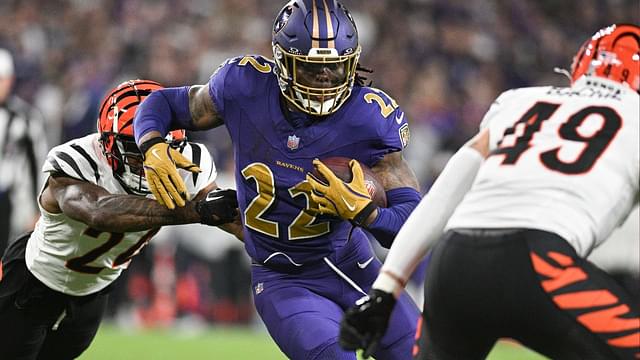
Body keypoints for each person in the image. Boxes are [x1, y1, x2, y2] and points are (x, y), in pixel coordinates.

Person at [133, 1, 423, 358]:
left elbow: (412, 226)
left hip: (355, 266)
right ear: (282, 61)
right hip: (283, 279)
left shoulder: (369, 119)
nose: (325, 79)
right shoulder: (244, 87)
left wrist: (366, 214)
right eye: (311, 68)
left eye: (335, 67)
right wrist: (151, 145)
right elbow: (164, 103)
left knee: (421, 355)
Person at [339, 23, 640, 360]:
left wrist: (385, 291)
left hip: (454, 263)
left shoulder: (520, 101)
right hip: (539, 262)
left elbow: (443, 195)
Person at [0, 79, 241, 360]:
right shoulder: (76, 160)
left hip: (95, 291)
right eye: (134, 148)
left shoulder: (190, 163)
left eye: (156, 146)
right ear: (107, 143)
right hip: (33, 281)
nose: (146, 161)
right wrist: (195, 211)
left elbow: (228, 217)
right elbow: (99, 211)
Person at [0, 48, 48, 254]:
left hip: (9, 200)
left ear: (10, 80)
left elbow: (37, 164)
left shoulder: (26, 119)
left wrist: (38, 208)